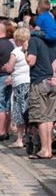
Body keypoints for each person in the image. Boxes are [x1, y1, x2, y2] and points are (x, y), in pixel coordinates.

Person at [25, 18, 55, 160]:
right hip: (52, 81)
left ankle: (44, 149)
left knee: (41, 118)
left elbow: (31, 61)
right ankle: (48, 149)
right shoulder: (53, 40)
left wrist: (26, 51)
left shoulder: (34, 40)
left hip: (39, 81)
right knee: (49, 117)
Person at [2, 27, 31, 148]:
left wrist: (5, 67)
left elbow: (10, 68)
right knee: (28, 109)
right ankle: (28, 136)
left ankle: (19, 139)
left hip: (19, 83)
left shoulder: (15, 52)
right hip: (30, 81)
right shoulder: (29, 50)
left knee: (19, 110)